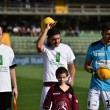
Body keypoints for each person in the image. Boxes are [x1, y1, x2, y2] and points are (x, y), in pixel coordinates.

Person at [36, 19, 76, 110]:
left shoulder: (66, 48)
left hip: (63, 87)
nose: (57, 41)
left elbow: (72, 67)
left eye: (58, 38)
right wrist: (46, 30)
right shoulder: (45, 48)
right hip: (48, 86)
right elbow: (38, 46)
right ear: (49, 39)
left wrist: (72, 78)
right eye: (54, 39)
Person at [84, 22, 110, 110]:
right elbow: (86, 65)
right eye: (107, 34)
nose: (109, 36)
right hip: (95, 87)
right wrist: (93, 71)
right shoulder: (93, 46)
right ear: (102, 33)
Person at [0, 27, 18, 110]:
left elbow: (12, 69)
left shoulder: (9, 50)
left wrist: (15, 87)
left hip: (6, 89)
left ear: (2, 35)